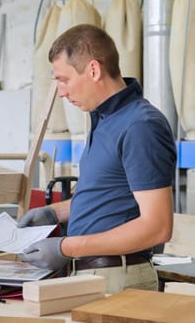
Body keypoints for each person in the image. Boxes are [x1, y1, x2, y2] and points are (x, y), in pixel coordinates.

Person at [17, 24, 177, 294]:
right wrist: (53, 213)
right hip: (94, 275)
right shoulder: (104, 121)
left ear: (93, 70)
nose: (61, 92)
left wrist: (64, 247)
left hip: (120, 279)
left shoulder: (140, 126)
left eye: (64, 80)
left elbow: (157, 227)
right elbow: (107, 196)